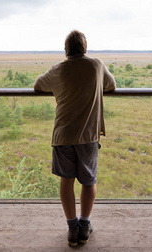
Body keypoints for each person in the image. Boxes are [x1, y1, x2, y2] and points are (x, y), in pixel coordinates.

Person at [34, 30, 116, 246]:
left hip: (62, 135)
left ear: (66, 50)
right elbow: (111, 85)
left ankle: (72, 228)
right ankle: (85, 224)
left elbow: (37, 85)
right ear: (85, 48)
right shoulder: (97, 65)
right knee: (89, 182)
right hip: (88, 135)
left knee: (66, 181)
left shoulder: (59, 68)